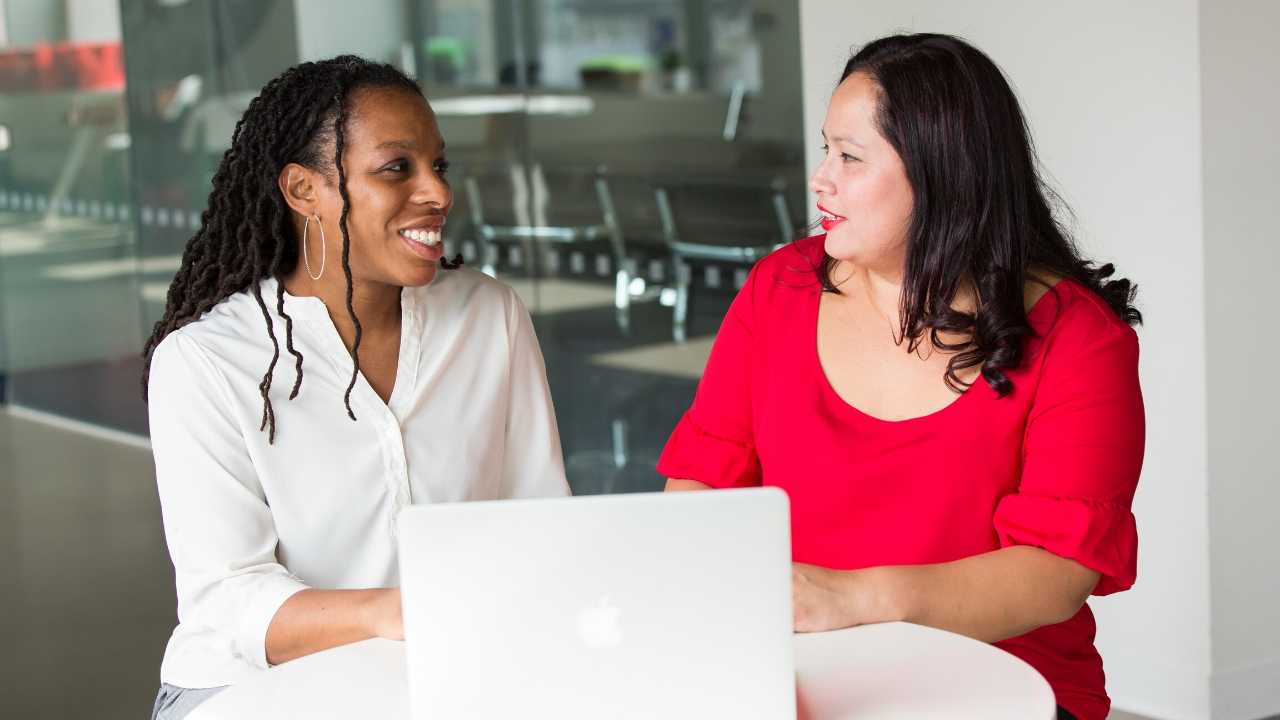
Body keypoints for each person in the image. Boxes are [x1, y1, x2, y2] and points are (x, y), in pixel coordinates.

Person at [659, 34, 1144, 720]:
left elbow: (1055, 573)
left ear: (944, 174)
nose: (821, 179)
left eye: (850, 158)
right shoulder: (778, 289)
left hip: (1002, 686)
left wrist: (852, 600)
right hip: (801, 673)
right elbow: (703, 483)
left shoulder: (1080, 338)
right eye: (826, 150)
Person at [142, 56, 569, 720]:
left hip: (446, 669)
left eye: (440, 167)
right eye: (397, 169)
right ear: (302, 190)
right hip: (250, 687)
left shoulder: (490, 316)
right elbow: (229, 599)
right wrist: (397, 613)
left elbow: (541, 516)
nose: (438, 193)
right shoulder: (205, 362)